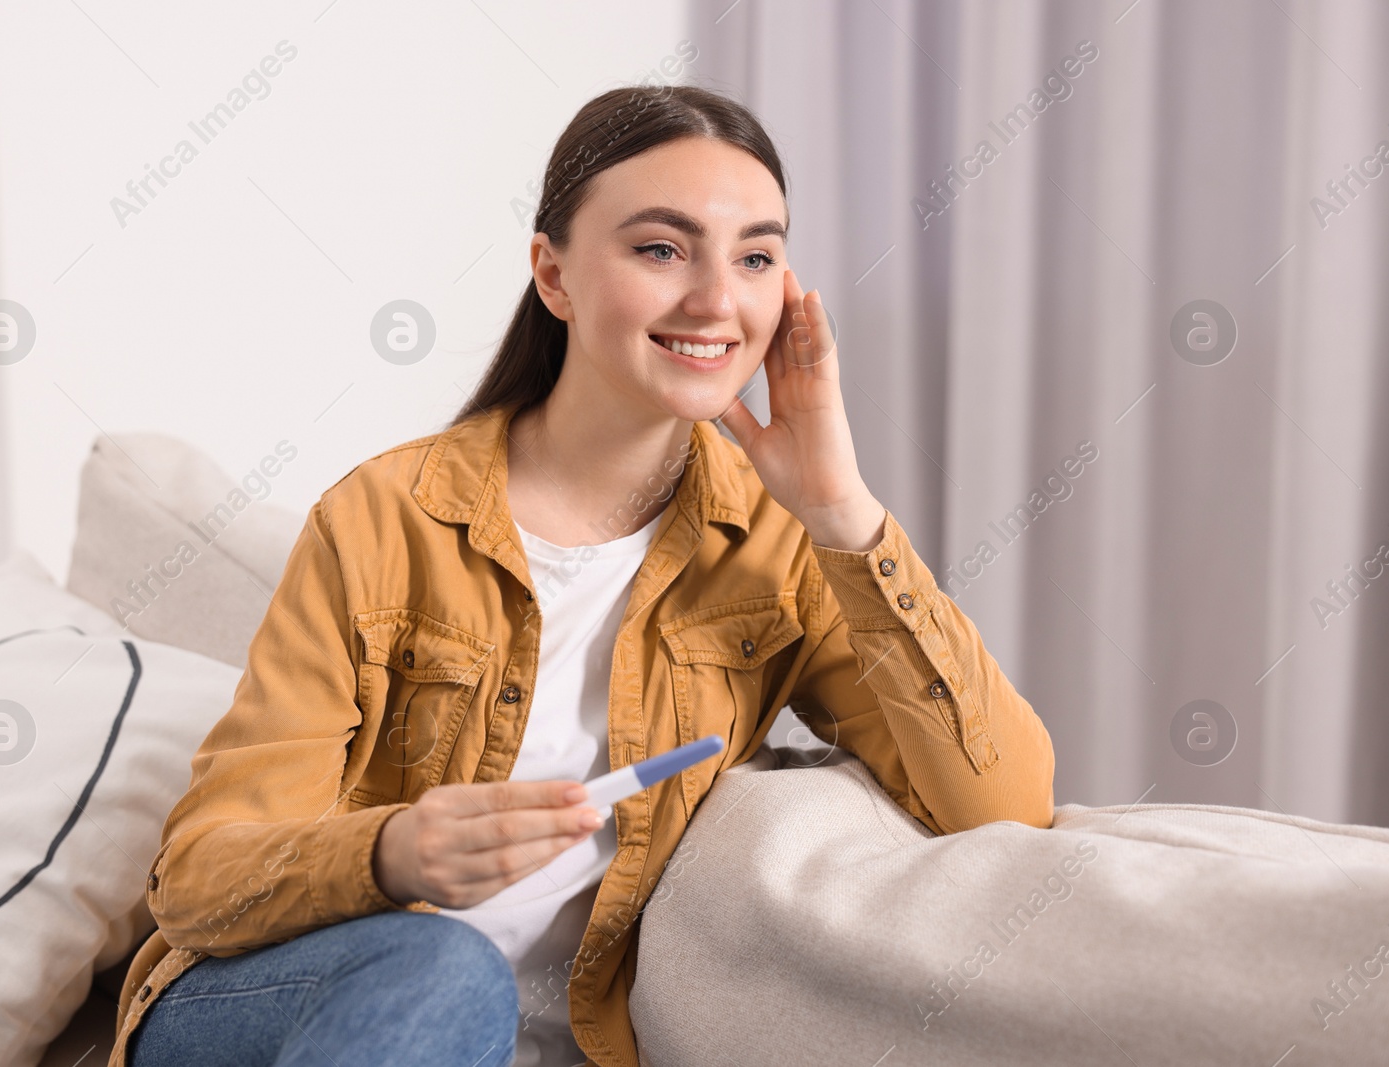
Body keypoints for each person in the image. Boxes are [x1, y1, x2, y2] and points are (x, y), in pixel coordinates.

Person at [111, 84, 1055, 1067]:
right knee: (446, 968)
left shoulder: (781, 547)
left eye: (756, 256)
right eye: (659, 249)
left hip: (563, 1037)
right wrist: (393, 851)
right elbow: (199, 876)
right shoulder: (384, 517)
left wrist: (843, 514)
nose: (715, 299)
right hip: (279, 998)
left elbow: (1004, 801)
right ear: (552, 276)